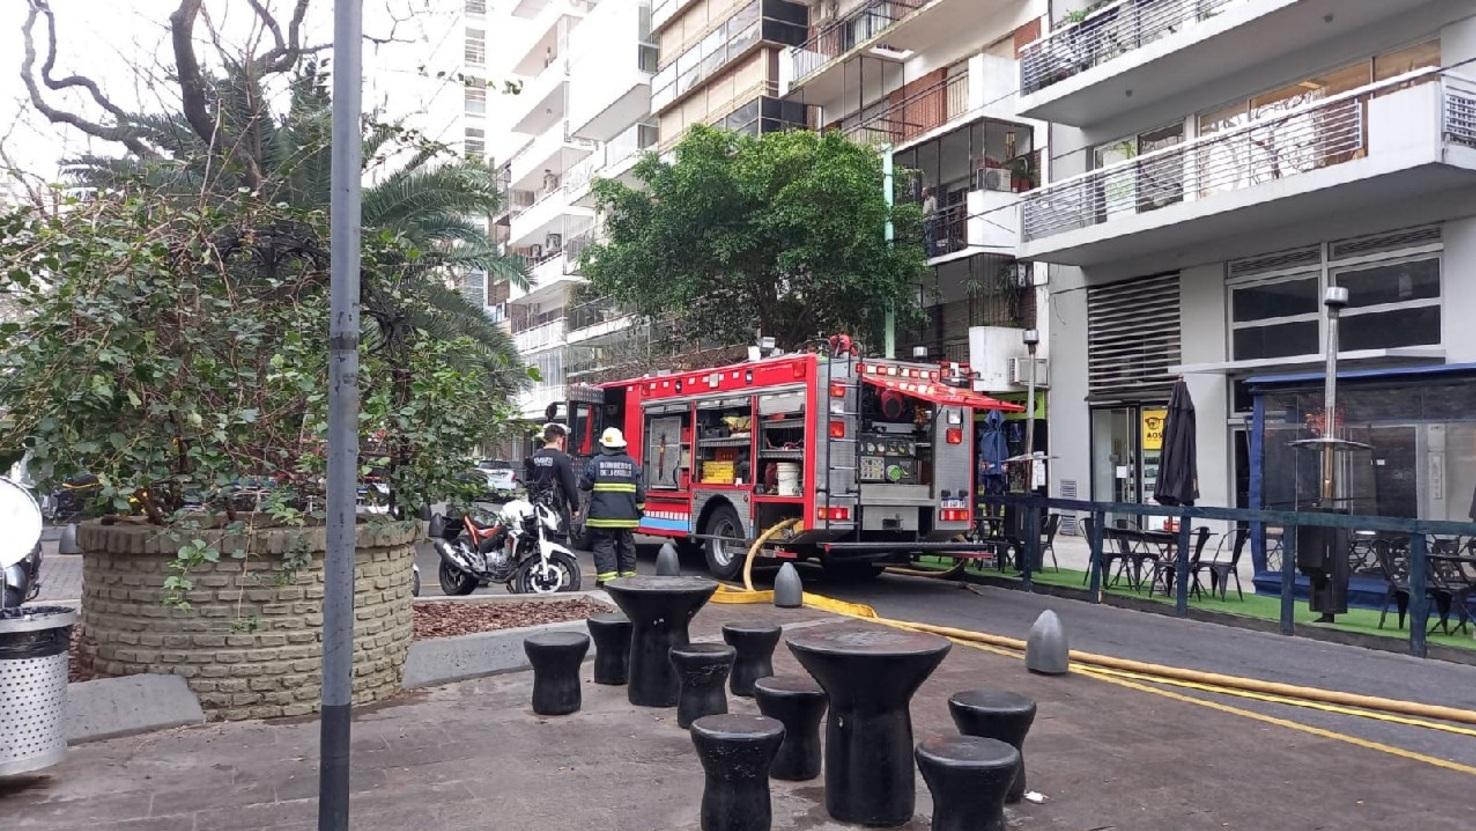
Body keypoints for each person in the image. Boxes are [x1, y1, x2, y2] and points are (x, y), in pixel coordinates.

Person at [580, 427, 643, 586]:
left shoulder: (596, 462)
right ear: (621, 445)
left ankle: (608, 581)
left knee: (603, 546)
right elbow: (640, 491)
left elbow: (584, 485)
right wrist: (640, 509)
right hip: (627, 517)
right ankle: (628, 580)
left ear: (603, 445)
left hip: (602, 517)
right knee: (627, 546)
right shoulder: (632, 464)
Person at [524, 422, 579, 533]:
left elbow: (528, 482)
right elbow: (570, 486)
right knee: (559, 541)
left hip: (537, 507)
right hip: (557, 508)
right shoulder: (562, 458)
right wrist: (575, 508)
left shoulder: (534, 458)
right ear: (559, 439)